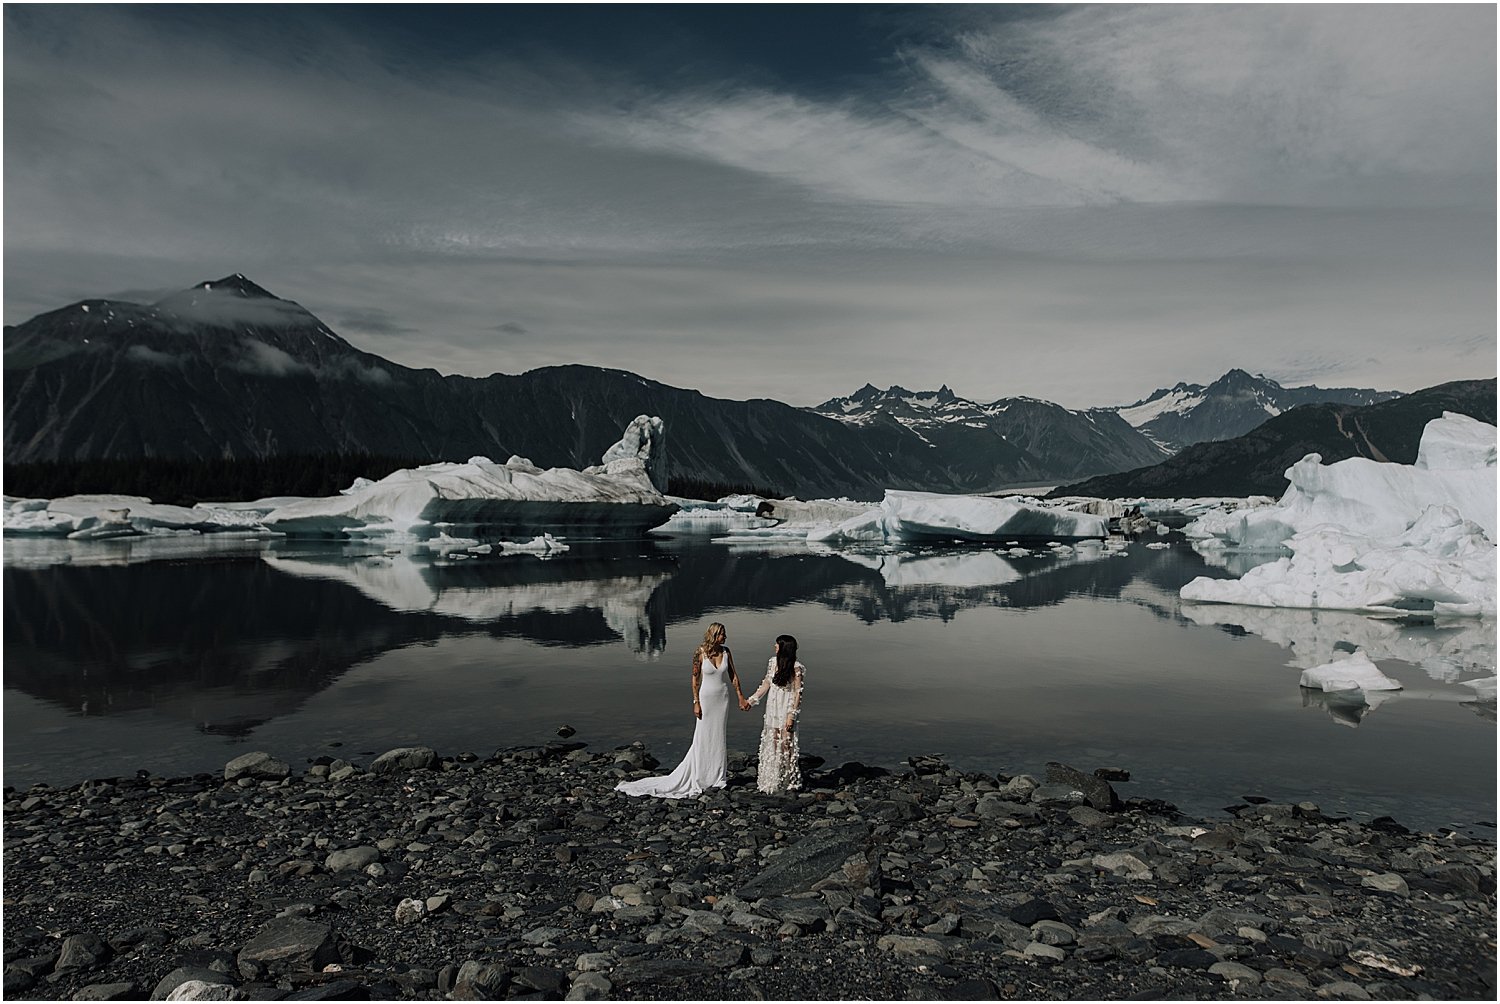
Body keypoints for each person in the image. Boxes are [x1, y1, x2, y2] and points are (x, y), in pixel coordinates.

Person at [615, 622, 749, 799]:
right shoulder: (700, 652)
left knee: (718, 735)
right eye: (722, 634)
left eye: (725, 634)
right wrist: (696, 702)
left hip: (722, 698)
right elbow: (695, 680)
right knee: (703, 735)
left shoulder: (726, 651)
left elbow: (733, 676)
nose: (725, 637)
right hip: (706, 698)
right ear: (714, 635)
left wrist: (740, 696)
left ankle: (717, 776)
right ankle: (701, 775)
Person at [744, 634, 805, 795]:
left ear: (784, 648)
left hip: (787, 708)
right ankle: (773, 778)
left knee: (787, 743)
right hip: (773, 708)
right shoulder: (773, 663)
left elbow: (798, 693)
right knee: (774, 741)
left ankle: (790, 780)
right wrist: (752, 700)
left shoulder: (796, 667)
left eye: (777, 645)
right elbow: (766, 683)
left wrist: (791, 715)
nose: (774, 646)